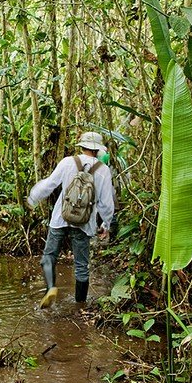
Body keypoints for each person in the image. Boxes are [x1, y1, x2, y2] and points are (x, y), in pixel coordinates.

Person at [26, 131, 115, 307]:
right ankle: (80, 306)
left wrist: (32, 198)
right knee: (81, 265)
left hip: (60, 217)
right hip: (84, 222)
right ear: (98, 150)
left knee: (49, 256)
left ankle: (51, 288)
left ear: (81, 146)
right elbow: (106, 202)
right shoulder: (103, 170)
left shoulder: (67, 162)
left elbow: (49, 184)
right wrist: (106, 223)